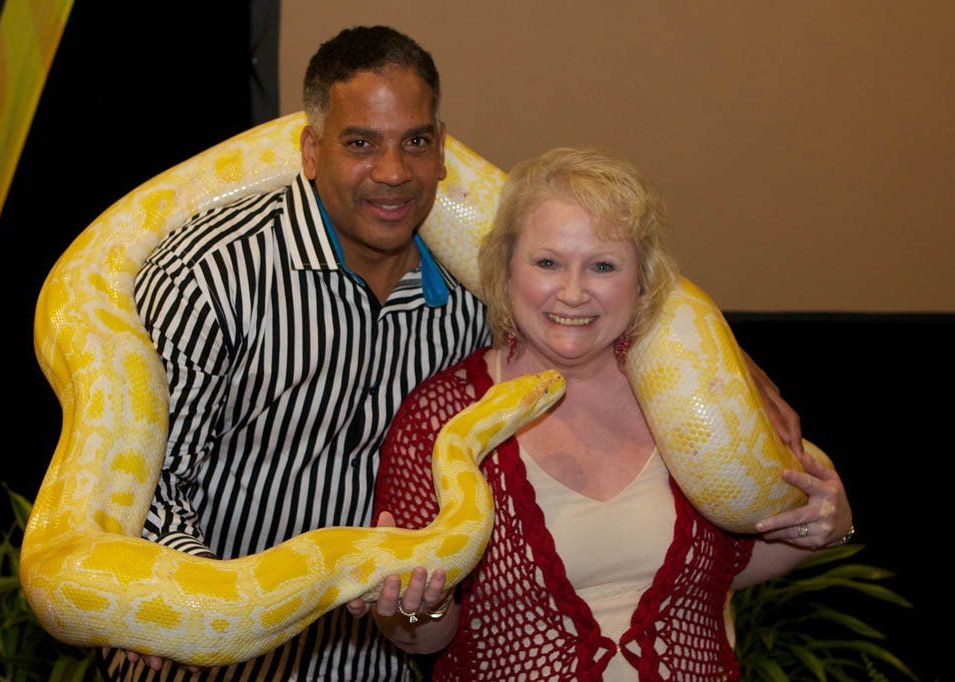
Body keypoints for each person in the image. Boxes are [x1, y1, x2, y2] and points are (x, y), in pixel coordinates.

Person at [367, 148, 852, 680]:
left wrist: (824, 528)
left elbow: (724, 571)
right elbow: (425, 634)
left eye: (602, 266)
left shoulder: (690, 407)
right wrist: (415, 606)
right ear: (505, 271)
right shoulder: (442, 417)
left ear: (642, 282)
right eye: (548, 262)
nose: (573, 293)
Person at [102, 26, 491, 681]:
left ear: (443, 149)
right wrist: (208, 614)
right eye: (360, 143)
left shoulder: (472, 309)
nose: (393, 173)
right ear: (311, 150)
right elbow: (148, 492)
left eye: (415, 142)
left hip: (375, 667)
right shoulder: (210, 273)